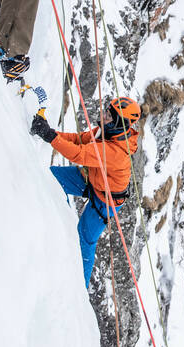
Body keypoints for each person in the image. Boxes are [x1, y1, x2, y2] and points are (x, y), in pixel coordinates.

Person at [30, 96, 140, 286]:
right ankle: (56, 221)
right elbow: (79, 140)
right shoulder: (106, 131)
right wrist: (51, 132)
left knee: (85, 239)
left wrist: (49, 136)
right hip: (92, 179)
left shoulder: (116, 151)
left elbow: (79, 154)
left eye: (108, 114)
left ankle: (80, 289)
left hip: (106, 201)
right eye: (106, 111)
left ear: (119, 122)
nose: (103, 115)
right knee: (51, 177)